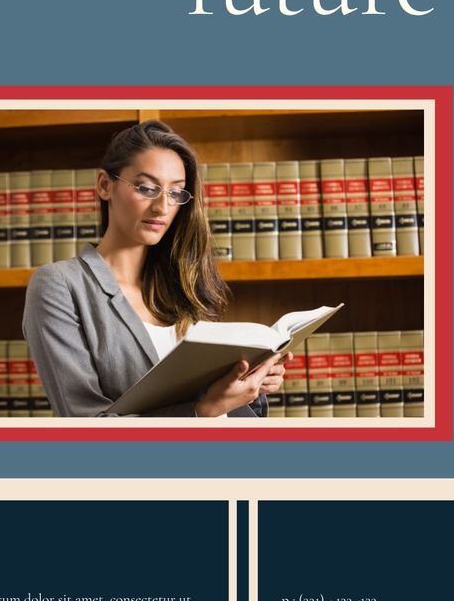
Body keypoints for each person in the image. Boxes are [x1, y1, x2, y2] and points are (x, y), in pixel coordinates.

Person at [23, 120, 289, 417]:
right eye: (147, 188)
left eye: (176, 193)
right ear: (104, 185)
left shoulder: (180, 287)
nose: (162, 207)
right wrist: (203, 411)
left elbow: (218, 404)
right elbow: (86, 422)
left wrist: (248, 385)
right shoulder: (60, 285)